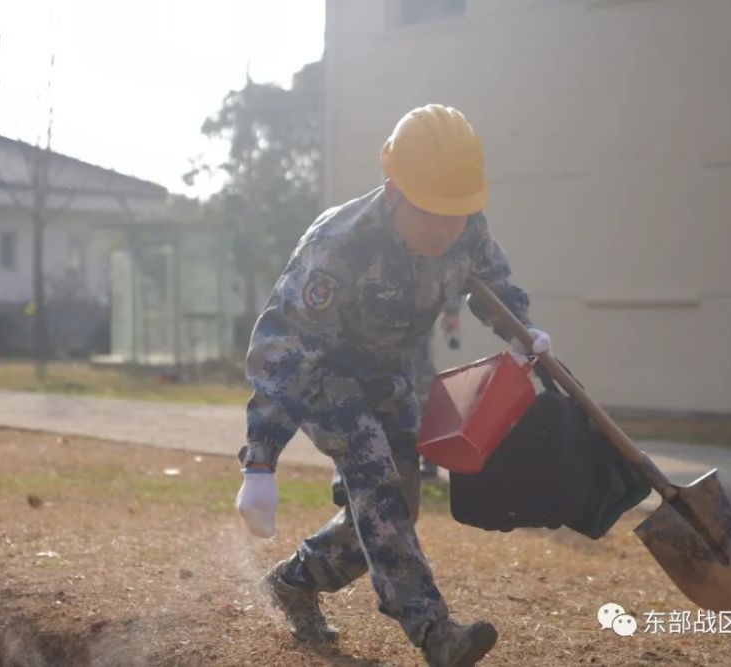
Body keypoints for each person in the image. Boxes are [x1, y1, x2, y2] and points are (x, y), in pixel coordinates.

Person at [234, 105, 550, 666]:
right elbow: (283, 349)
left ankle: (294, 581)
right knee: (377, 482)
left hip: (392, 375)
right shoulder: (338, 247)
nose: (444, 229)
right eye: (431, 213)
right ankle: (434, 633)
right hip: (325, 373)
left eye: (456, 214)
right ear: (394, 190)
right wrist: (259, 462)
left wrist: (521, 331)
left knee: (394, 506)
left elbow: (494, 284)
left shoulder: (464, 225)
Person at [415, 306, 461, 480]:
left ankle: (429, 461)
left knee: (425, 395)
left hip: (415, 339)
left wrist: (450, 310)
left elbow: (452, 279)